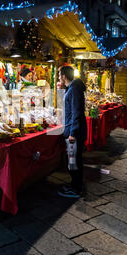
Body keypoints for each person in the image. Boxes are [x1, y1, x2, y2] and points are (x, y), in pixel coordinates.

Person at [58, 66, 87, 198]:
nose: (59, 77)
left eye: (59, 75)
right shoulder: (72, 88)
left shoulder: (74, 89)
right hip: (72, 128)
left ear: (64, 76)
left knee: (73, 160)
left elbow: (77, 112)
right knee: (73, 159)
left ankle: (76, 189)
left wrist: (73, 133)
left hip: (74, 131)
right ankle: (75, 185)